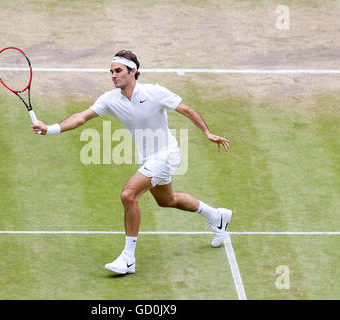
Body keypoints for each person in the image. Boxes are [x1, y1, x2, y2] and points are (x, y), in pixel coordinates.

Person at [31, 50, 232, 275]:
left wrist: (207, 132)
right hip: (148, 157)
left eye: (118, 71)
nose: (113, 76)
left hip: (166, 153)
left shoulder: (154, 92)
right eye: (111, 72)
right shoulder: (110, 99)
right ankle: (217, 216)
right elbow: (82, 117)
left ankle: (128, 259)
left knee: (128, 195)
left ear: (132, 71)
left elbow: (186, 109)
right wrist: (50, 129)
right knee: (168, 200)